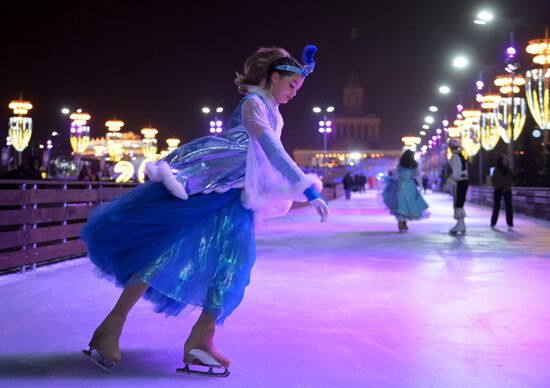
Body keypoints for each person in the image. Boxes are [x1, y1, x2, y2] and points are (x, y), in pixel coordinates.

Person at [80, 45, 329, 377]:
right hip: (215, 188)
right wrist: (307, 187)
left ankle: (202, 337)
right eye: (291, 85)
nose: (294, 93)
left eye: (298, 88)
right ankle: (111, 325)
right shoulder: (254, 104)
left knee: (233, 264)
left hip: (238, 198)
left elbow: (268, 153)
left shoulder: (272, 109)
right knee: (171, 252)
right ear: (273, 77)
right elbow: (271, 147)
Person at [382, 149, 429, 232]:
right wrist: (421, 186)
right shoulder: (413, 166)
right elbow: (417, 177)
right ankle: (403, 222)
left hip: (401, 186)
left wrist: (391, 182)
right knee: (407, 204)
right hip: (410, 186)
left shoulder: (400, 165)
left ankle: (401, 222)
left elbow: (395, 176)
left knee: (401, 203)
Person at [446, 138, 469, 235]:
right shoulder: (461, 156)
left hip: (459, 182)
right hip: (463, 181)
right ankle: (461, 224)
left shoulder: (455, 157)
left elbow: (456, 172)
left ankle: (460, 224)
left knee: (458, 203)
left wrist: (449, 181)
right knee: (460, 202)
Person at [490, 155, 514, 229]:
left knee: (508, 206)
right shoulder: (496, 170)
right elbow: (494, 179)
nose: (505, 162)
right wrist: (497, 186)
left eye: (506, 161)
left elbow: (512, 178)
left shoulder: (509, 170)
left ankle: (510, 222)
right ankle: (493, 222)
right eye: (504, 161)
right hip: (498, 189)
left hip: (507, 189)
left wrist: (507, 183)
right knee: (496, 206)